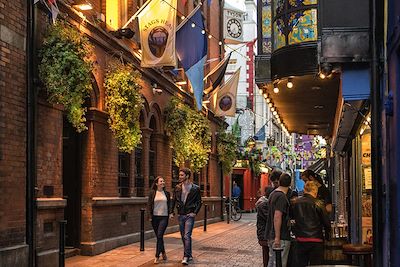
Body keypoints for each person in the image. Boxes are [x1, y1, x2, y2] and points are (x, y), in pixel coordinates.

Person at [291, 181, 331, 267]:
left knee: (301, 264)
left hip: (301, 239)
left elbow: (291, 219)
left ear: (305, 190)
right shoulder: (319, 203)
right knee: (316, 265)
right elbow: (326, 223)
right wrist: (327, 235)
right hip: (316, 239)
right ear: (315, 191)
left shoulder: (296, 203)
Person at [171, 168, 202, 265]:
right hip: (181, 214)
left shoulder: (195, 188)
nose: (179, 177)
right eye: (179, 175)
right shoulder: (177, 187)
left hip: (189, 215)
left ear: (187, 176)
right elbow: (174, 200)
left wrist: (195, 213)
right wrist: (171, 212)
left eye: (181, 175)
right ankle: (189, 254)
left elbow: (199, 202)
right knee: (183, 236)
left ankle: (185, 256)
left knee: (187, 235)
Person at [266, 173, 292, 267]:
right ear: (290, 184)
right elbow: (277, 216)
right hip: (281, 236)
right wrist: (278, 237)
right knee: (279, 263)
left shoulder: (273, 194)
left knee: (272, 262)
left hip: (271, 234)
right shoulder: (282, 197)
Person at [147, 176, 172, 264]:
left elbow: (169, 204)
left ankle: (157, 256)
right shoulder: (152, 193)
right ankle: (163, 252)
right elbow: (149, 205)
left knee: (160, 235)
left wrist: (171, 213)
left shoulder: (167, 193)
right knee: (159, 237)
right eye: (161, 181)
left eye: (163, 181)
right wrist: (150, 216)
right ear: (157, 183)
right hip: (154, 217)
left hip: (164, 217)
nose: (163, 182)